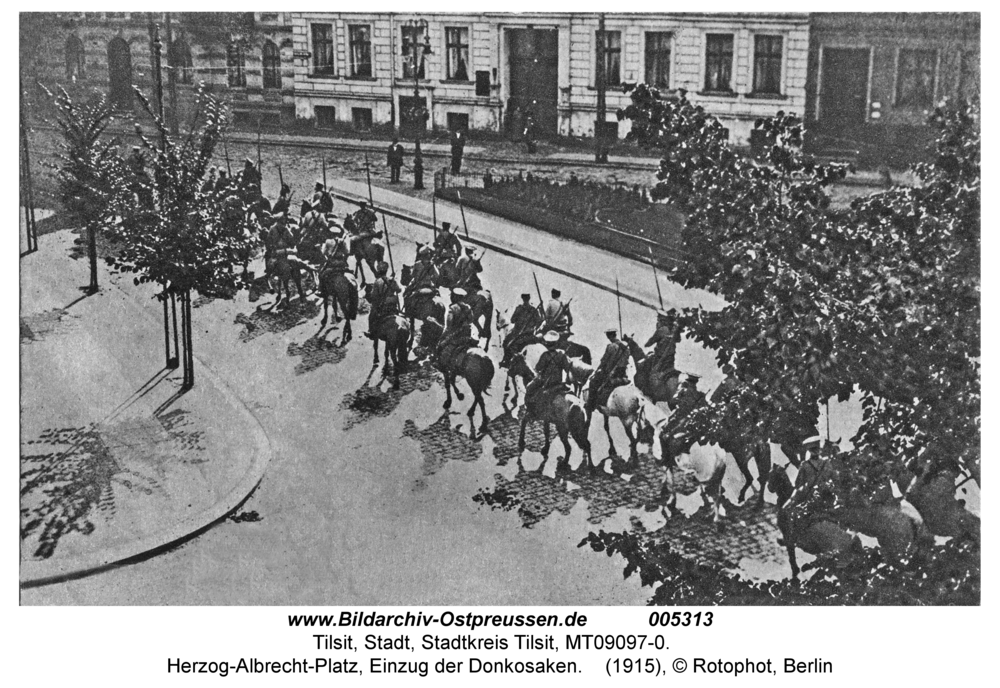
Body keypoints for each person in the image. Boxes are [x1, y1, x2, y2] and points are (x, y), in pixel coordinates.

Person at [586, 329, 632, 414]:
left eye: (608, 336)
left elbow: (604, 361)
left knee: (592, 382)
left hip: (610, 374)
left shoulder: (611, 346)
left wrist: (598, 370)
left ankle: (590, 405)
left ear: (609, 336)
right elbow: (626, 360)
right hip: (622, 374)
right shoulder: (625, 347)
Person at [523, 330, 571, 409]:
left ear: (547, 343)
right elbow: (567, 368)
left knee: (529, 388)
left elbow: (538, 368)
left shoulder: (545, 355)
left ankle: (530, 411)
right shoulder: (562, 355)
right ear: (556, 343)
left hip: (546, 384)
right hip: (559, 383)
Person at [434, 288, 476, 369]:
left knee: (440, 346)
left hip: (455, 337)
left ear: (455, 297)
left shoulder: (452, 308)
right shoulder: (468, 307)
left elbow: (448, 327)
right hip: (467, 335)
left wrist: (442, 337)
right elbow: (471, 320)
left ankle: (440, 364)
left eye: (452, 296)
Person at [366, 261, 401, 340]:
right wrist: (393, 281)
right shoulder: (392, 280)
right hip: (392, 306)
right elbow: (399, 290)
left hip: (381, 306)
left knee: (371, 317)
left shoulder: (377, 281)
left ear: (378, 271)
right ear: (386, 270)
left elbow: (374, 296)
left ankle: (371, 332)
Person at [645, 309, 681, 375]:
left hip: (660, 357)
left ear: (662, 320)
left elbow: (651, 341)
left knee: (650, 369)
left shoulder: (663, 329)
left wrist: (646, 344)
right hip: (670, 357)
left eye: (659, 320)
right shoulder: (674, 329)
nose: (658, 322)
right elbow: (678, 340)